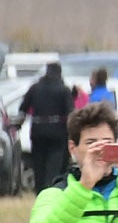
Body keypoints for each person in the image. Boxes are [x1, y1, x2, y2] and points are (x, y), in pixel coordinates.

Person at [20, 57, 77, 188]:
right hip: (57, 132)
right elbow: (70, 111)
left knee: (38, 165)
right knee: (54, 166)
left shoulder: (35, 88)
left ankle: (40, 190)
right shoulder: (63, 90)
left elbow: (23, 108)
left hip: (37, 131)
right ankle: (51, 188)